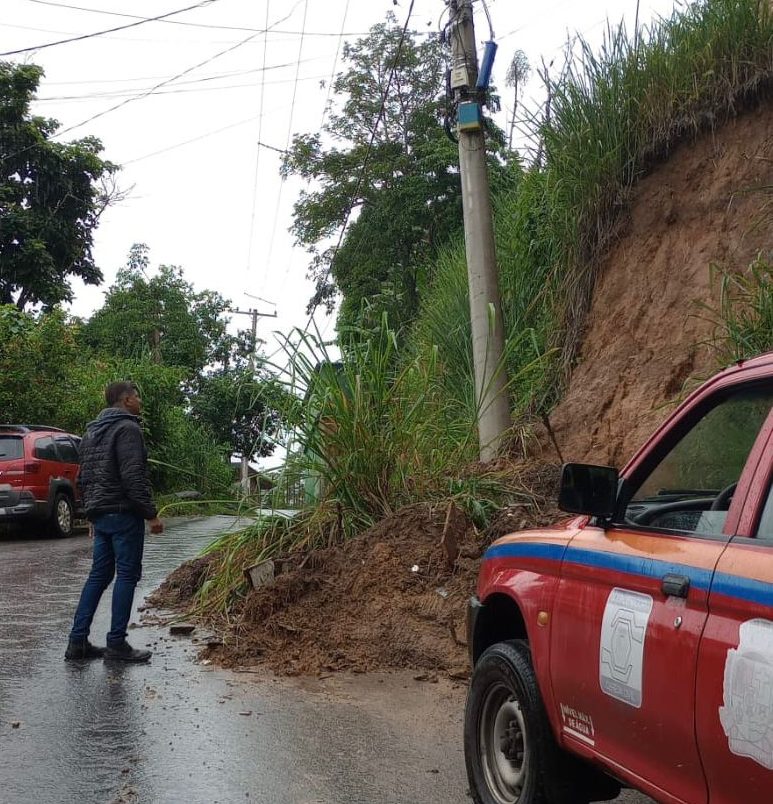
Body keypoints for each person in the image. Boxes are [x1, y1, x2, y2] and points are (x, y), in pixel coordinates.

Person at [65, 381, 164, 663]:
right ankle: (117, 644)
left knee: (98, 576)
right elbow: (133, 476)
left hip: (101, 513)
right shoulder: (128, 428)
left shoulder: (91, 431)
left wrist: (91, 513)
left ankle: (77, 643)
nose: (140, 401)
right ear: (126, 400)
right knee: (127, 575)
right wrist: (151, 514)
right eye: (137, 397)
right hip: (123, 513)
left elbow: (83, 477)